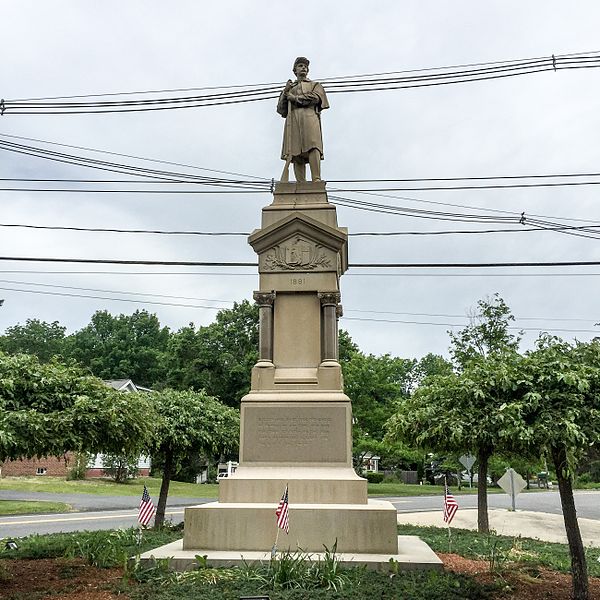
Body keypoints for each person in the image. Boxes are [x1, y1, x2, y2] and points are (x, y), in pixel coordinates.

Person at [277, 57, 329, 183]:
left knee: (313, 145)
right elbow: (280, 109)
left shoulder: (314, 85)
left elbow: (316, 98)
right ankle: (301, 182)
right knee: (294, 151)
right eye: (300, 65)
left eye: (305, 66)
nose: (303, 68)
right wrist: (285, 92)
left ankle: (316, 178)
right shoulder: (288, 88)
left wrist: (294, 98)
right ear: (295, 70)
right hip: (293, 119)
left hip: (309, 116)